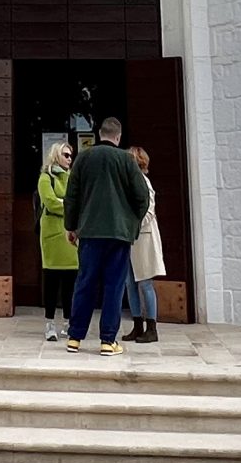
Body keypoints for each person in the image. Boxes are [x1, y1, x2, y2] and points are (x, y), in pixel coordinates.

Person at [62, 117, 152, 355]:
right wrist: (131, 224)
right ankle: (108, 341)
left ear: (99, 134)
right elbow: (142, 197)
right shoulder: (126, 160)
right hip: (119, 235)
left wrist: (71, 226)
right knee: (114, 286)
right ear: (118, 137)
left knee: (85, 283)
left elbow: (72, 196)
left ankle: (75, 337)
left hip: (90, 232)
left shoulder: (83, 158)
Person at [35, 139, 77, 340]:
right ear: (56, 155)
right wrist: (67, 205)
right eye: (66, 155)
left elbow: (77, 200)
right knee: (51, 280)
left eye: (71, 155)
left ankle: (69, 323)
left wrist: (66, 204)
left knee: (70, 281)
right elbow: (50, 202)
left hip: (70, 235)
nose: (70, 159)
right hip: (52, 235)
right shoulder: (46, 177)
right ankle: (49, 323)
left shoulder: (72, 177)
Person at [123, 146, 164, 345]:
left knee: (146, 283)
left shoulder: (143, 182)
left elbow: (149, 211)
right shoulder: (128, 183)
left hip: (143, 238)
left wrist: (132, 226)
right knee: (130, 283)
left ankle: (152, 327)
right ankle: (137, 324)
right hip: (130, 239)